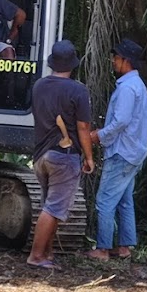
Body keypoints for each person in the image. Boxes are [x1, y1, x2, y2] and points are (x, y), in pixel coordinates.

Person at [26, 40, 94, 270]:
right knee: (54, 208)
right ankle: (36, 256)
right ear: (73, 64)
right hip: (64, 156)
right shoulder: (78, 90)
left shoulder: (39, 86)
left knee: (49, 205)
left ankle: (47, 253)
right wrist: (89, 157)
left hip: (41, 156)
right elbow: (83, 127)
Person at [86, 37, 147, 261]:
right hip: (134, 152)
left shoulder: (127, 88)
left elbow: (121, 121)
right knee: (124, 199)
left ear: (126, 61)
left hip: (122, 152)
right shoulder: (138, 86)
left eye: (116, 58)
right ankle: (124, 247)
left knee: (104, 199)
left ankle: (103, 248)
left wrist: (98, 136)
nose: (113, 61)